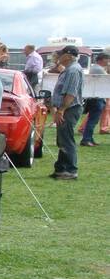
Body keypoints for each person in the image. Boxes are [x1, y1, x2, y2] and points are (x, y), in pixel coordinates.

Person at [50, 45, 84, 179]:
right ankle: (61, 168)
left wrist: (61, 110)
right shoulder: (69, 69)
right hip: (67, 109)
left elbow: (71, 93)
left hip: (69, 109)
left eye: (62, 54)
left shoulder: (73, 71)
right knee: (62, 139)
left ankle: (70, 170)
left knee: (66, 139)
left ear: (69, 56)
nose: (59, 56)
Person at [79, 52, 108, 147]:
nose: (108, 61)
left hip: (96, 97)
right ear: (102, 59)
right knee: (93, 120)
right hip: (97, 98)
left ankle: (89, 138)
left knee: (93, 120)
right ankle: (86, 139)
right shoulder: (98, 69)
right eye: (107, 59)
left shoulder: (95, 67)